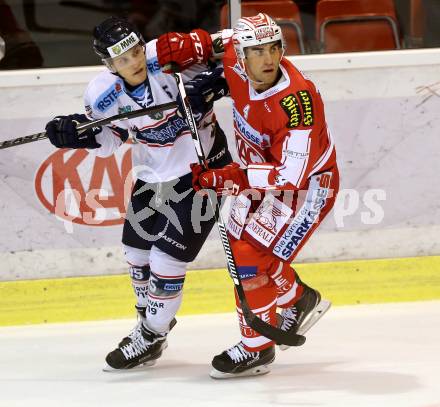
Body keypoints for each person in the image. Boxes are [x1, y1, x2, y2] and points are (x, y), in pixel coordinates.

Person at [156, 13, 339, 379]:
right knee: (245, 244)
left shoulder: (295, 103)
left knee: (247, 258)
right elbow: (222, 39)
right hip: (259, 179)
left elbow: (291, 176)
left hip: (304, 189)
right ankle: (297, 299)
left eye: (274, 48)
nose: (268, 58)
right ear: (241, 55)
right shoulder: (233, 61)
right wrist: (196, 44)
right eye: (257, 51)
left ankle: (257, 348)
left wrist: (230, 176)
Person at [45, 16, 231, 371]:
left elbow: (241, 54)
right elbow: (111, 138)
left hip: (204, 170)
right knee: (135, 251)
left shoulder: (174, 60)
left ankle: (151, 334)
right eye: (122, 59)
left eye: (135, 51)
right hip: (152, 175)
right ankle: (151, 321)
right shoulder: (102, 95)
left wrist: (217, 81)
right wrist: (78, 135)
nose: (133, 62)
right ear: (109, 65)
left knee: (166, 260)